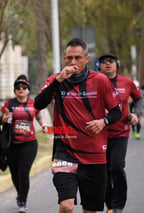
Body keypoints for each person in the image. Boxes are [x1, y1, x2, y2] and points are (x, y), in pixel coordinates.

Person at [34, 38, 122, 213]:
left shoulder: (100, 81)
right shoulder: (56, 80)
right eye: (68, 58)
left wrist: (103, 122)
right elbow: (38, 104)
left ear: (87, 58)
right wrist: (58, 79)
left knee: (90, 209)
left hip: (95, 154)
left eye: (77, 57)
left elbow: (116, 112)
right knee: (66, 206)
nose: (73, 62)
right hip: (64, 151)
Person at [98, 53, 143, 213]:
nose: (108, 64)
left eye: (111, 61)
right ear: (99, 65)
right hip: (99, 134)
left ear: (117, 64)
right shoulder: (94, 82)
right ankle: (109, 205)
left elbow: (139, 98)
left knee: (116, 166)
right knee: (103, 171)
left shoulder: (127, 82)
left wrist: (136, 114)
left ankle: (118, 205)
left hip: (120, 133)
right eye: (104, 62)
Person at [0, 74, 48, 213]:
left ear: (28, 89)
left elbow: (39, 116)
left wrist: (44, 125)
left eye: (24, 87)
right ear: (15, 90)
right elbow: (2, 119)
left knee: (23, 172)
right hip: (12, 144)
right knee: (14, 173)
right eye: (18, 87)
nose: (21, 89)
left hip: (29, 144)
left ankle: (23, 200)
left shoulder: (34, 103)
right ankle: (20, 195)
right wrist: (4, 120)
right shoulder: (9, 104)